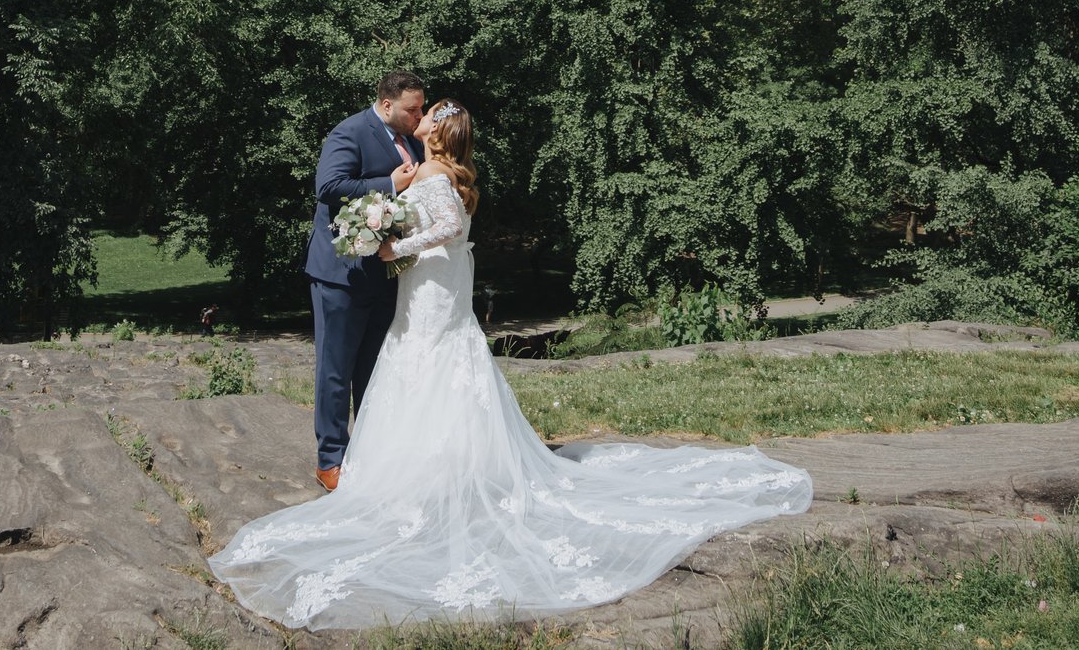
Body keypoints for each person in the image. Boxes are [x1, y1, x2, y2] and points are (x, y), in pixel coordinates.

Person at [215, 101, 811, 629]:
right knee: (416, 363)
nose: (420, 120)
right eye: (417, 109)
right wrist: (390, 232)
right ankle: (412, 460)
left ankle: (432, 471)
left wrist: (395, 245)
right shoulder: (427, 168)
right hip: (427, 285)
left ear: (438, 134)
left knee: (429, 361)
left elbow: (445, 225)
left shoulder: (433, 174)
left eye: (429, 117)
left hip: (432, 283)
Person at [303, 71, 426, 492]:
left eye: (421, 108)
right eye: (413, 109)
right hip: (341, 275)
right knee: (336, 370)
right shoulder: (349, 132)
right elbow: (330, 187)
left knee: (373, 370)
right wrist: (390, 184)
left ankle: (369, 454)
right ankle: (330, 460)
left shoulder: (412, 139)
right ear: (387, 105)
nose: (419, 116)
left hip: (385, 274)